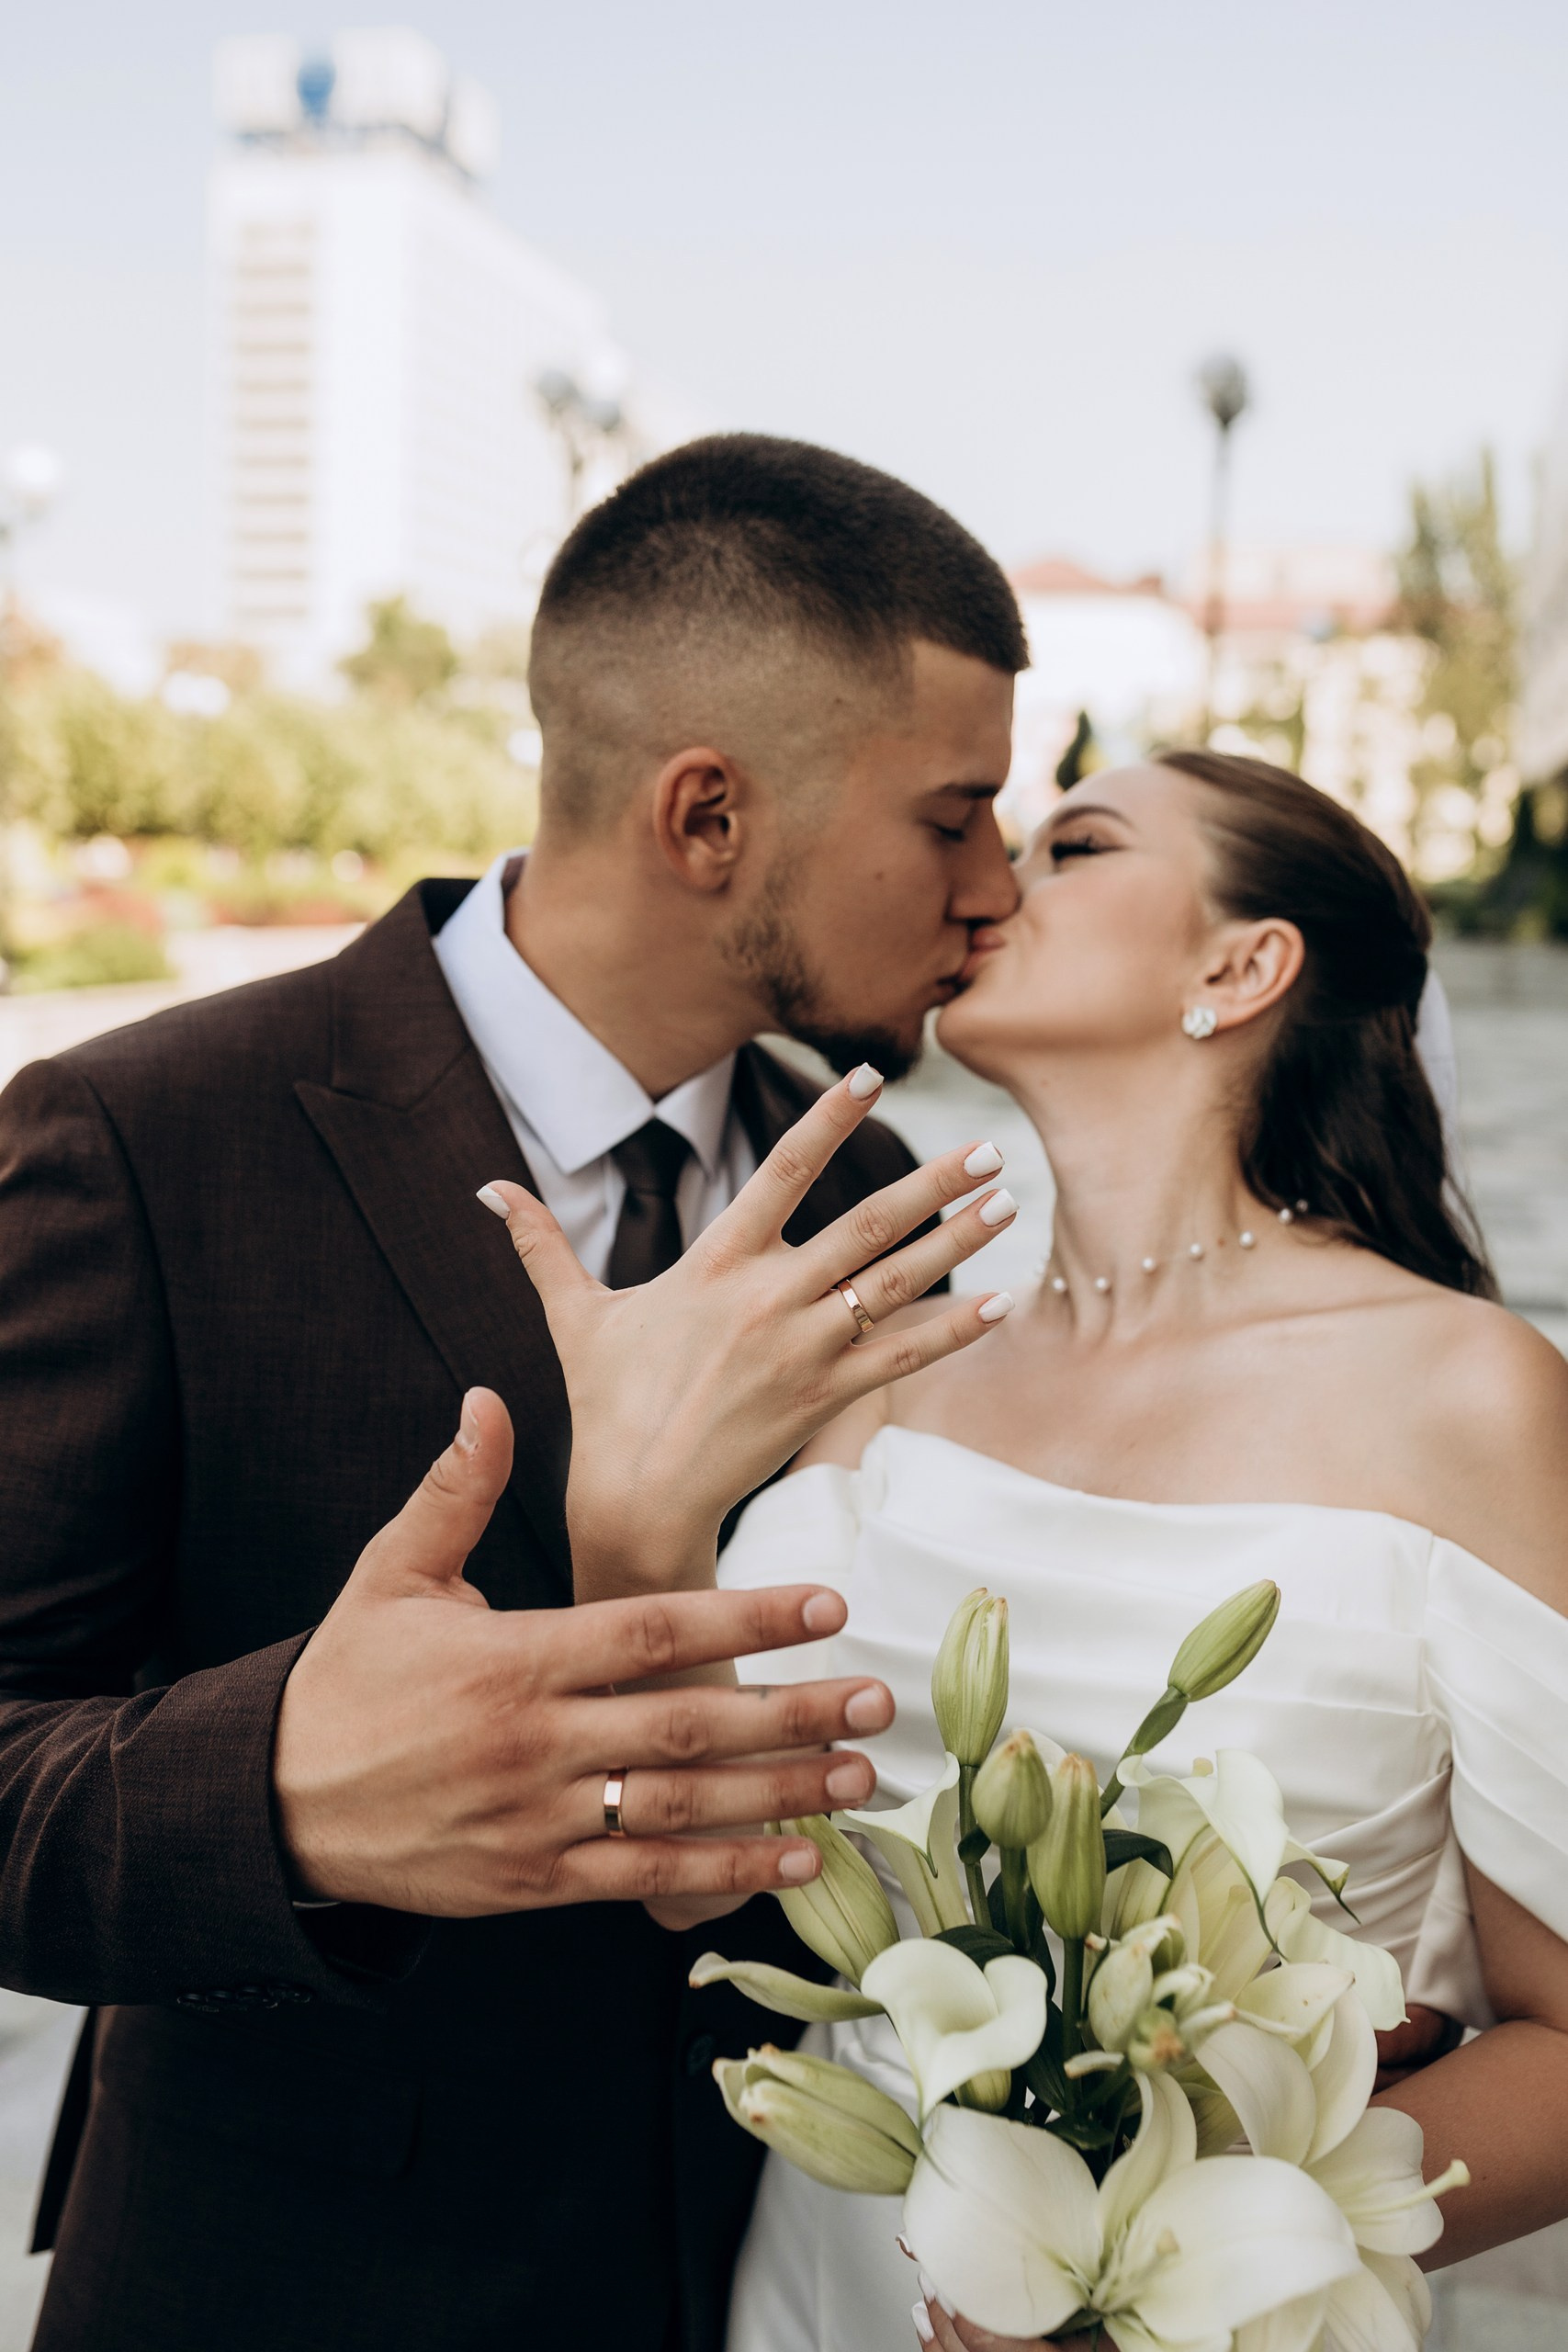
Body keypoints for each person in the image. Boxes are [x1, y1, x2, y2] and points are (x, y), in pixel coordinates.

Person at [0, 433, 1028, 2352]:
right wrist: (282, 1793)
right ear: (706, 816)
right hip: (286, 2292)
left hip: (758, 2278)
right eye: (953, 816)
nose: (997, 887)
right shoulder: (144, 1140)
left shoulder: (877, 1196)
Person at [501, 750, 1568, 2352]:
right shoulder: (894, 1361)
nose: (996, 881)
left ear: (1242, 965)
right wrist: (630, 1515)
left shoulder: (1469, 1392)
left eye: (1077, 844)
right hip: (819, 2282)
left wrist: (1148, 2264)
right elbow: (684, 1874)